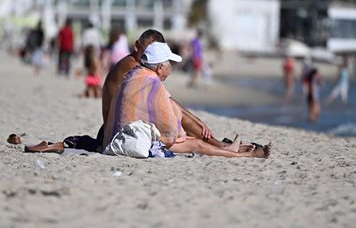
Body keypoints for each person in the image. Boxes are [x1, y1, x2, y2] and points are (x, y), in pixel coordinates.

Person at [102, 41, 270, 158]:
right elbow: (169, 128)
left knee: (190, 139)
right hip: (129, 140)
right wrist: (182, 135)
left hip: (114, 137)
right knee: (196, 144)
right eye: (170, 66)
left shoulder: (135, 74)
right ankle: (243, 155)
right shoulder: (152, 83)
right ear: (160, 68)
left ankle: (230, 149)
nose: (171, 70)